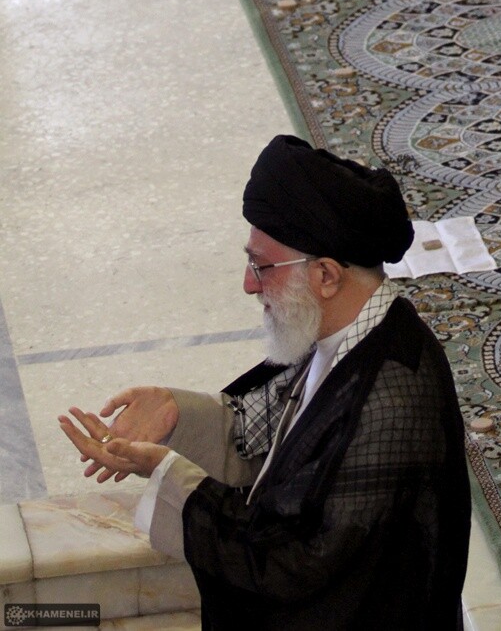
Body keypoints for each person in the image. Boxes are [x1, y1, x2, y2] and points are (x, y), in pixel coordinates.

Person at [58, 136, 471, 627]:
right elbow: (274, 435)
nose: (249, 284)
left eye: (262, 266)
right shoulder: (347, 331)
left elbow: (293, 564)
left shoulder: (390, 402)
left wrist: (168, 474)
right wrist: (176, 414)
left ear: (326, 276)